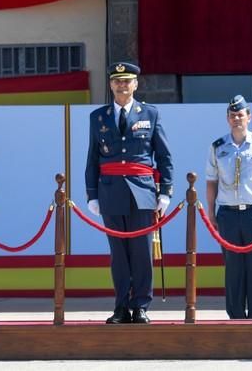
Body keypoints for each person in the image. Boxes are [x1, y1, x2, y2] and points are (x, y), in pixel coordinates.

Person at [85, 62, 173, 324]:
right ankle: (121, 306)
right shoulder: (98, 117)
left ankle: (141, 306)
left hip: (142, 192)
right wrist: (92, 194)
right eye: (117, 81)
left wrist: (165, 192)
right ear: (111, 84)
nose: (122, 85)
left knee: (142, 252)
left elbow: (164, 156)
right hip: (110, 192)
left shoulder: (150, 113)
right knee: (118, 254)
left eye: (127, 81)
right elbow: (92, 158)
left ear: (136, 84)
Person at [205, 95, 252, 319]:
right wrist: (210, 212)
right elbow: (211, 182)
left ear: (249, 117)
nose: (237, 118)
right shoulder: (218, 147)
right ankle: (236, 315)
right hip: (227, 213)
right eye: (233, 115)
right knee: (233, 266)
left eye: (241, 114)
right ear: (227, 119)